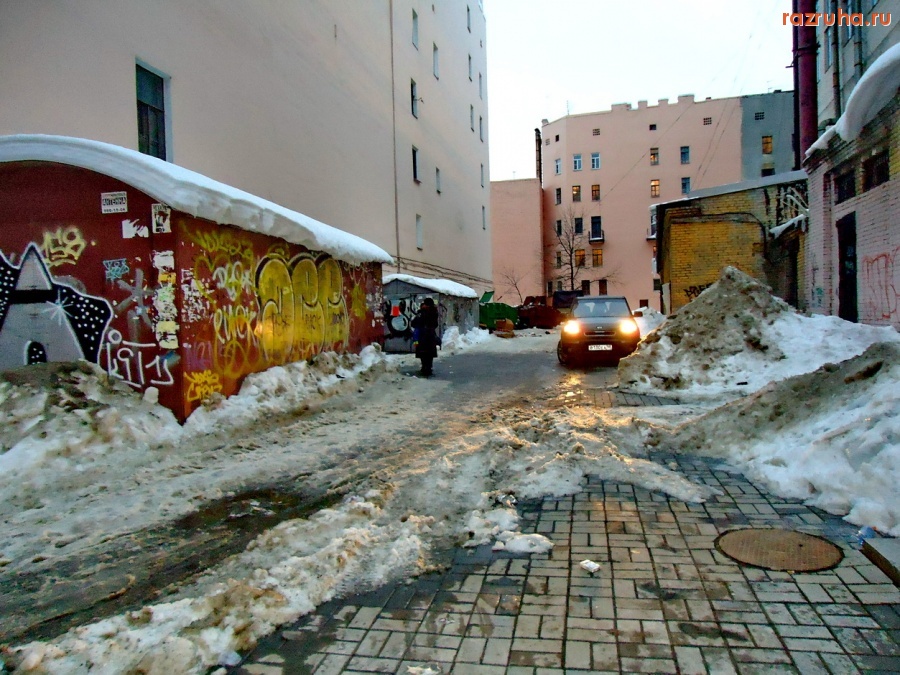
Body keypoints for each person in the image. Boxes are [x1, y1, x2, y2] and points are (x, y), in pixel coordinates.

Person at [411, 297, 439, 376]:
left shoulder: (422, 313)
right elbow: (435, 324)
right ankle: (428, 367)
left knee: (423, 353)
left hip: (423, 336)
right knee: (429, 354)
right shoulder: (434, 312)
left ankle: (424, 368)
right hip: (431, 336)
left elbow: (414, 323)